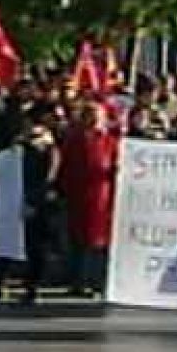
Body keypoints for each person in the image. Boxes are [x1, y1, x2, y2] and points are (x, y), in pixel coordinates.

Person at [59, 101, 118, 299]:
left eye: (97, 115)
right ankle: (77, 281)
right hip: (77, 196)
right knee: (77, 241)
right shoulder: (73, 140)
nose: (93, 120)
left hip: (102, 198)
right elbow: (65, 166)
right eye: (89, 115)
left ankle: (95, 282)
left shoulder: (111, 142)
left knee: (98, 244)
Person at [15, 113, 63, 305]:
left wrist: (33, 202)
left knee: (37, 247)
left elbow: (48, 178)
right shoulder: (22, 149)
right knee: (27, 245)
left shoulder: (50, 151)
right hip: (24, 201)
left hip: (40, 205)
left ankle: (33, 286)